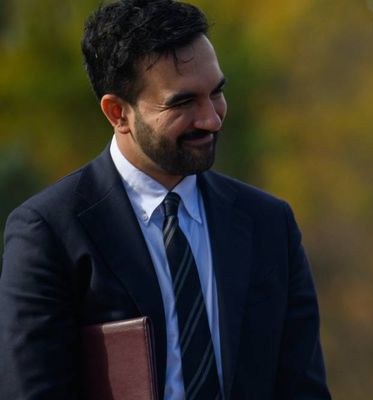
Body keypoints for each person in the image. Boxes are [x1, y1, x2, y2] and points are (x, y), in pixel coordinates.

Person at [0, 1, 330, 398]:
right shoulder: (49, 233)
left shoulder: (269, 224)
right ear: (117, 113)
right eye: (183, 103)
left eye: (216, 92)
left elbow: (303, 389)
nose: (211, 119)